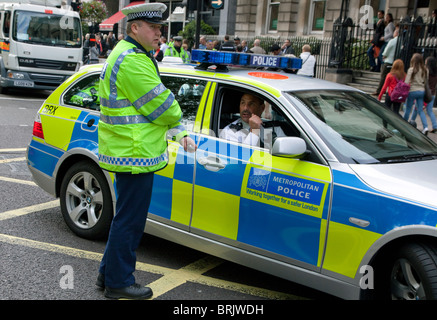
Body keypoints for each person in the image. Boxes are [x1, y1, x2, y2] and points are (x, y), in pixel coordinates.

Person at [97, 2, 196, 300]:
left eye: (161, 28)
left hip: (128, 150)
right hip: (134, 153)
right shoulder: (133, 60)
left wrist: (178, 131)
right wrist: (177, 118)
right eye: (153, 28)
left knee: (123, 217)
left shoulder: (131, 54)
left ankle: (108, 274)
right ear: (135, 28)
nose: (159, 34)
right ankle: (119, 283)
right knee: (130, 221)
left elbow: (152, 108)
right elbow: (163, 106)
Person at [219, 93, 284, 147]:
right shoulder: (229, 131)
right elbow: (242, 158)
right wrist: (254, 131)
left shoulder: (274, 128)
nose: (245, 108)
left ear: (262, 108)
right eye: (243, 103)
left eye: (251, 104)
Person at [404, 53, 429, 135]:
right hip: (421, 91)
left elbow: (407, 82)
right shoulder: (425, 70)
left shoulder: (411, 70)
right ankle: (425, 127)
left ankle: (403, 124)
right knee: (420, 110)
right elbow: (425, 82)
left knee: (408, 109)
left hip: (412, 91)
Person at [410, 56, 437, 133]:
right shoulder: (435, 73)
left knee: (417, 108)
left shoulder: (426, 71)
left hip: (425, 93)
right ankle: (435, 125)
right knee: (429, 111)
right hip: (432, 94)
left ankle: (411, 122)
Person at [374, 24, 399, 96]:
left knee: (383, 76)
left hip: (388, 61)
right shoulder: (401, 41)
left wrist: (384, 55)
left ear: (396, 33)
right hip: (395, 62)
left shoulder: (392, 41)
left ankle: (379, 90)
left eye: (394, 32)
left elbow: (387, 49)